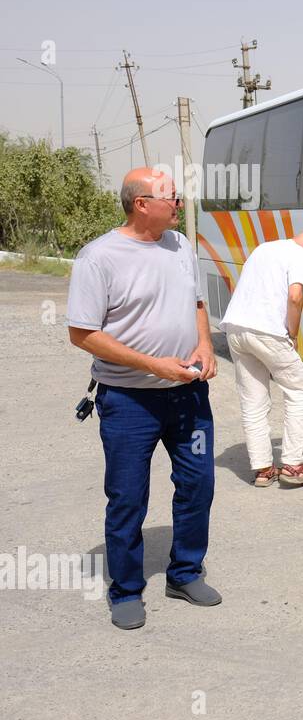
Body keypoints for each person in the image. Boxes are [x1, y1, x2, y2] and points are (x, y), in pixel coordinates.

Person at [67, 168, 221, 630]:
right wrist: (156, 366)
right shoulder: (98, 257)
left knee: (198, 486)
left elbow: (196, 302)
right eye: (171, 198)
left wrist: (205, 345)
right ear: (141, 204)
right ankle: (127, 590)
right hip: (128, 402)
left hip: (188, 396)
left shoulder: (181, 246)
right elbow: (83, 334)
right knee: (128, 497)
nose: (179, 205)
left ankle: (185, 572)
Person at [220, 232, 303, 487]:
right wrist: (294, 334)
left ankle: (264, 470)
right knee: (300, 391)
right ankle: (293, 464)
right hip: (267, 331)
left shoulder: (264, 248)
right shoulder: (300, 254)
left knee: (253, 399)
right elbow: (295, 296)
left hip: (236, 328)